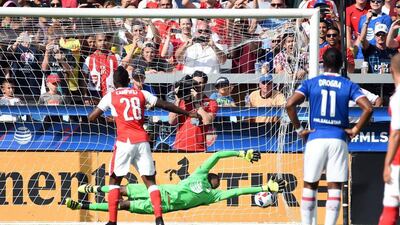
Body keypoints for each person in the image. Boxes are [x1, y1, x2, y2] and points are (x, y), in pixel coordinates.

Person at [88, 66, 200, 225]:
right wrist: (187, 113)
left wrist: (110, 118)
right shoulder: (142, 93)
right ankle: (159, 218)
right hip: (142, 140)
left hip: (124, 141)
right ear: (128, 81)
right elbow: (164, 105)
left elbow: (92, 117)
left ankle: (112, 221)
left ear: (114, 82)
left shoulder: (110, 96)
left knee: (114, 182)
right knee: (150, 182)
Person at [285, 47, 373, 225]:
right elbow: (368, 108)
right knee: (335, 187)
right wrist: (355, 129)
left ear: (322, 63)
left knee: (310, 184)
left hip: (315, 137)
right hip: (338, 138)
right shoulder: (348, 84)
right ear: (341, 64)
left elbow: (289, 104)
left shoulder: (312, 82)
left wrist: (299, 129)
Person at [65, 150, 286, 213]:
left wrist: (264, 187)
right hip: (157, 190)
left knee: (121, 206)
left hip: (163, 205)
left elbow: (238, 192)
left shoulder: (213, 195)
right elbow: (217, 156)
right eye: (218, 176)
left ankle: (83, 205)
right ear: (210, 175)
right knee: (121, 189)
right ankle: (92, 187)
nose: (221, 179)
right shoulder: (200, 174)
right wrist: (241, 154)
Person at [168, 71, 218, 152]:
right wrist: (177, 100)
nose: (197, 85)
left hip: (199, 148)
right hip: (179, 146)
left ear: (205, 84)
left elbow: (207, 121)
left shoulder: (211, 102)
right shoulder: (182, 101)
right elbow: (171, 121)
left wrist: (196, 102)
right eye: (194, 82)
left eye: (200, 83)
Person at [377, 53, 400, 225]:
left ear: (392, 71)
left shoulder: (397, 98)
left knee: (390, 209)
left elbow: (396, 133)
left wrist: (387, 164)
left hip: (398, 161)